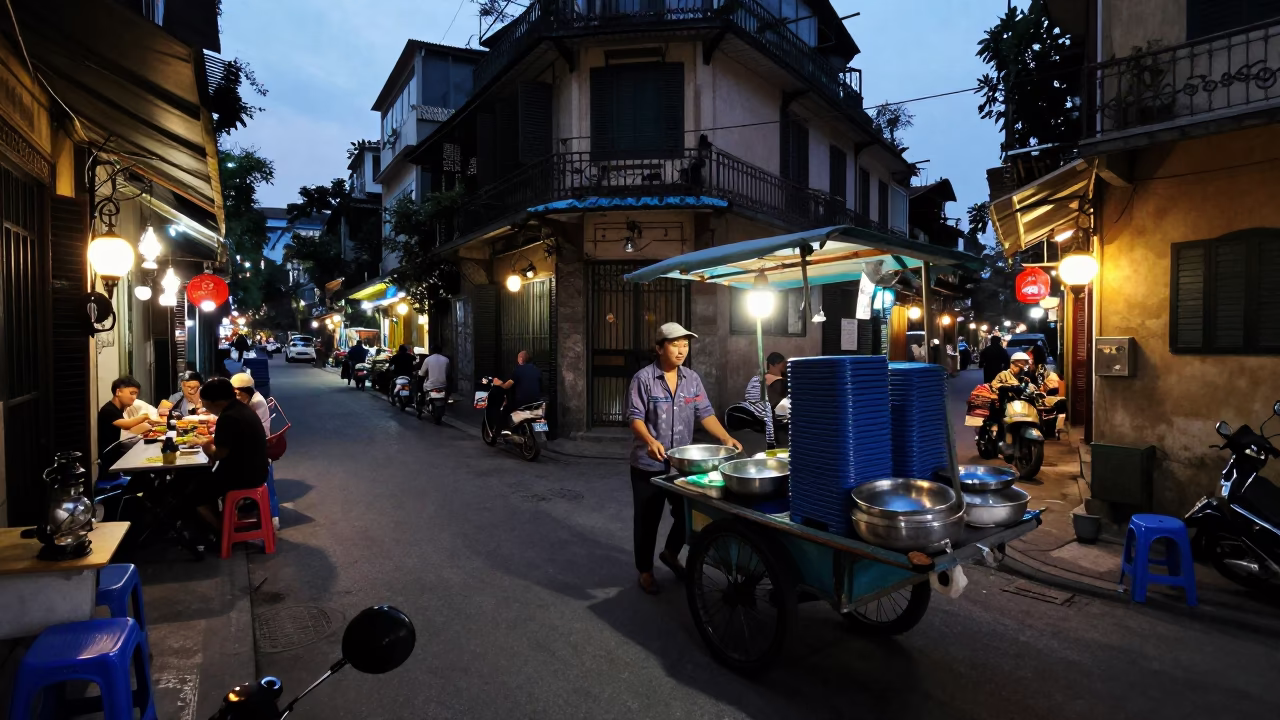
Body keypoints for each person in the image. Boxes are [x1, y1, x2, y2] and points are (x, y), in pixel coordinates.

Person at [626, 322, 743, 596]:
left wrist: (725, 437)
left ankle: (670, 552)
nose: (681, 350)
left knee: (688, 514)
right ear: (659, 348)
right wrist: (650, 440)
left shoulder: (692, 379)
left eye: (685, 344)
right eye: (675, 344)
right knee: (647, 521)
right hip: (648, 465)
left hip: (682, 465)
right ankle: (645, 571)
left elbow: (706, 413)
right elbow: (635, 418)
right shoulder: (643, 379)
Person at [188, 377, 269, 532]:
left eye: (204, 402)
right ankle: (222, 524)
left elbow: (218, 454)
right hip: (256, 470)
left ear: (216, 402)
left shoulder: (228, 417)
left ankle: (222, 532)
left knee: (194, 493)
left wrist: (205, 445)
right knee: (199, 479)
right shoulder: (241, 408)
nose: (203, 405)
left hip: (244, 476)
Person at [97, 376, 153, 469]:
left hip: (117, 451)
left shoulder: (119, 409)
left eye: (136, 394)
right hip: (109, 456)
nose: (134, 397)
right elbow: (127, 425)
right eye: (132, 393)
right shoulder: (108, 409)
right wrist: (145, 416)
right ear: (118, 392)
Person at [740, 352, 787, 448]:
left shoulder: (759, 377)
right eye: (782, 363)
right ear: (774, 364)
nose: (784, 365)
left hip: (755, 409)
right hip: (769, 412)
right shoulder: (778, 381)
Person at [492, 350, 543, 416]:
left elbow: (507, 386)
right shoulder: (537, 370)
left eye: (518, 358)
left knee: (505, 409)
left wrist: (498, 383)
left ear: (521, 359)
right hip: (536, 402)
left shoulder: (518, 370)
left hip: (522, 402)